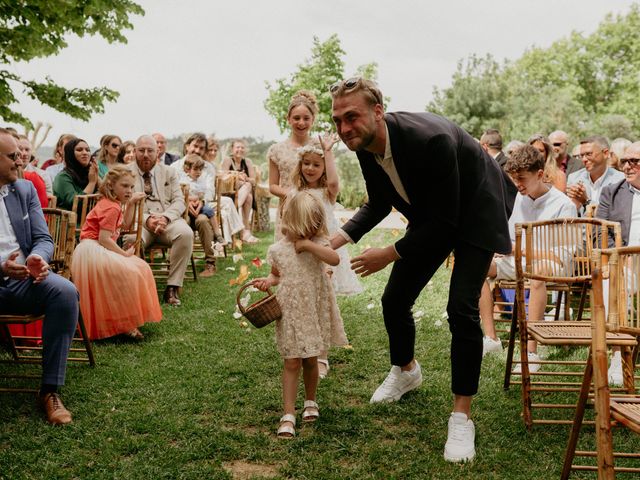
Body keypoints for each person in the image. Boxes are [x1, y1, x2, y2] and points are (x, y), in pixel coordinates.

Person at [329, 77, 514, 462]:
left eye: (352, 117)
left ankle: (462, 416)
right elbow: (379, 202)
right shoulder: (363, 144)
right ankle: (406, 370)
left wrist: (390, 252)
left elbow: (448, 224)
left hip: (477, 209)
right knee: (394, 298)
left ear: (378, 111)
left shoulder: (429, 139)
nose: (344, 128)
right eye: (337, 120)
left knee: (461, 308)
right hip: (437, 214)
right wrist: (332, 242)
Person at [252, 190, 348, 438]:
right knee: (292, 360)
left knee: (311, 359)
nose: (309, 231)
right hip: (291, 312)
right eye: (305, 226)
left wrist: (309, 245)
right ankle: (288, 413)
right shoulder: (277, 250)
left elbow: (335, 259)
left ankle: (311, 401)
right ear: (290, 221)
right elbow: (276, 275)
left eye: (313, 226)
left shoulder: (318, 244)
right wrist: (268, 281)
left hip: (313, 310)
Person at [0, 128, 79, 424]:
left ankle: (49, 390)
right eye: (12, 157)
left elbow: (43, 238)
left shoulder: (25, 190)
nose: (20, 162)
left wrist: (38, 257)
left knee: (65, 292)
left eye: (21, 156)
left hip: (24, 281)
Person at [478, 145, 577, 359]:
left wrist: (516, 249)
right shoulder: (516, 199)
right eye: (514, 179)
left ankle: (531, 352)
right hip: (519, 260)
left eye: (521, 178)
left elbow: (562, 255)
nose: (517, 184)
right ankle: (491, 338)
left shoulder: (564, 205)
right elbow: (508, 240)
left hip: (555, 265)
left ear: (540, 174)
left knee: (538, 271)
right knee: (478, 265)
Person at [71, 165, 162, 340]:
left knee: (140, 268)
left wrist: (131, 204)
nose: (129, 190)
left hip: (97, 248)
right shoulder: (111, 207)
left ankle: (124, 321)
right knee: (130, 272)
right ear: (111, 185)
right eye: (124, 186)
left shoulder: (114, 204)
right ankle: (125, 323)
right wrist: (124, 254)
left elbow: (125, 226)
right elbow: (104, 238)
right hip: (92, 249)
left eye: (131, 187)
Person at [291, 138, 363, 297]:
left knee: (326, 282)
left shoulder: (327, 192)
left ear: (324, 168)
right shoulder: (296, 192)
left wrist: (328, 152)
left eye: (316, 165)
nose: (310, 168)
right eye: (306, 163)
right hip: (304, 240)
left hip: (326, 241)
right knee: (307, 281)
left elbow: (333, 183)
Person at [128, 135, 193, 306]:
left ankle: (172, 287)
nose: (146, 155)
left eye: (150, 151)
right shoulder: (126, 172)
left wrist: (165, 217)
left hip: (167, 220)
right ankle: (136, 288)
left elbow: (179, 201)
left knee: (185, 233)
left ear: (158, 152)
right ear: (135, 151)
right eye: (141, 150)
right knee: (129, 239)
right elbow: (122, 204)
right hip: (139, 221)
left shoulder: (169, 172)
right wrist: (147, 219)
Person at [596, 141, 640, 385]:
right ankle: (617, 354)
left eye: (635, 161)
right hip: (624, 261)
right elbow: (597, 233)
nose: (627, 166)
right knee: (610, 281)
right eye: (625, 161)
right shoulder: (612, 192)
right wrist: (616, 256)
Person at [268, 90, 321, 240]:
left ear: (313, 119)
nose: (301, 123)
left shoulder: (320, 147)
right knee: (284, 256)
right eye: (296, 118)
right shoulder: (276, 150)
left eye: (306, 118)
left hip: (313, 209)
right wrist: (292, 194)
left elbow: (327, 179)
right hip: (287, 210)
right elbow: (272, 186)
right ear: (288, 119)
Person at [180, 153, 222, 277]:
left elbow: (207, 192)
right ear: (187, 169)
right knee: (183, 222)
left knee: (203, 220)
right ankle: (179, 264)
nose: (198, 172)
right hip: (185, 209)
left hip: (200, 208)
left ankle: (210, 262)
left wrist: (201, 202)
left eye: (200, 169)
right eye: (196, 169)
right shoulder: (181, 178)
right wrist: (187, 204)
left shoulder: (203, 178)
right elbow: (179, 194)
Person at [566, 135, 624, 214]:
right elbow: (570, 214)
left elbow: (613, 214)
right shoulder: (574, 178)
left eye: (589, 154)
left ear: (605, 153)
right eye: (582, 155)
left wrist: (586, 201)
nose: (584, 159)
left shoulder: (620, 180)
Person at [221, 140, 258, 244]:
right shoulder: (228, 160)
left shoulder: (247, 162)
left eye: (242, 147)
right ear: (232, 149)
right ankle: (246, 233)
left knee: (248, 190)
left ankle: (235, 210)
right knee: (248, 195)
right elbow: (223, 177)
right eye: (237, 147)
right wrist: (236, 175)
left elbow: (253, 180)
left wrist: (245, 178)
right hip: (229, 194)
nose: (240, 150)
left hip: (242, 194)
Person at [53, 138, 100, 211]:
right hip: (70, 221)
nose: (85, 153)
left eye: (87, 150)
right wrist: (92, 183)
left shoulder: (89, 173)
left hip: (92, 220)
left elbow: (110, 194)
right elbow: (76, 205)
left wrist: (96, 175)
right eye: (79, 150)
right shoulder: (62, 177)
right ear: (70, 154)